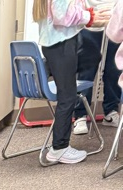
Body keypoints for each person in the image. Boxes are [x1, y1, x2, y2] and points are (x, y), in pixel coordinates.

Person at [33, 0, 113, 164]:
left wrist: (90, 16)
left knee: (70, 89)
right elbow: (62, 16)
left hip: (57, 44)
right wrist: (89, 16)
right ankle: (59, 148)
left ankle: (59, 146)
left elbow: (65, 12)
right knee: (68, 97)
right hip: (62, 45)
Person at [72, 26, 121, 134]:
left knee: (114, 70)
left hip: (114, 25)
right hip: (90, 26)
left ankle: (111, 112)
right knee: (86, 70)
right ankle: (80, 115)